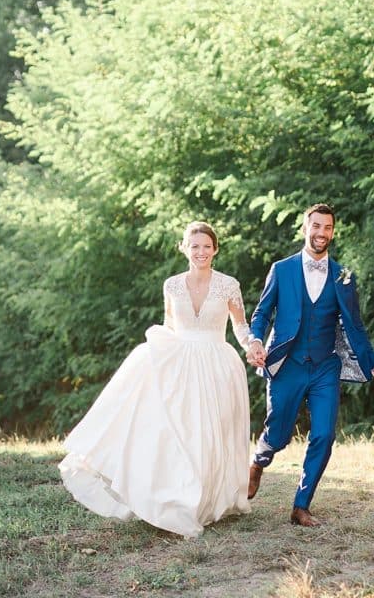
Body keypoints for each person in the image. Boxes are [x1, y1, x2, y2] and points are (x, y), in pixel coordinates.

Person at [59, 221, 254, 538]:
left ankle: (208, 500)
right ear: (184, 248)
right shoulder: (172, 285)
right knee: (181, 432)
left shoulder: (229, 285)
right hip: (181, 364)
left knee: (210, 432)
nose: (201, 252)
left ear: (215, 249)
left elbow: (241, 326)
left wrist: (252, 345)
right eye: (194, 246)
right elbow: (169, 326)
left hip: (217, 363)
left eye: (206, 246)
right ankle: (180, 500)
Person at [245, 203, 374, 527]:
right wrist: (256, 341)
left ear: (333, 232)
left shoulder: (344, 276)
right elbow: (261, 314)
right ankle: (259, 460)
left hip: (326, 366)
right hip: (287, 365)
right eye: (316, 226)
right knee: (280, 433)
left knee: (324, 434)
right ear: (304, 228)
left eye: (327, 228)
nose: (321, 233)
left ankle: (301, 505)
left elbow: (355, 327)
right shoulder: (281, 270)